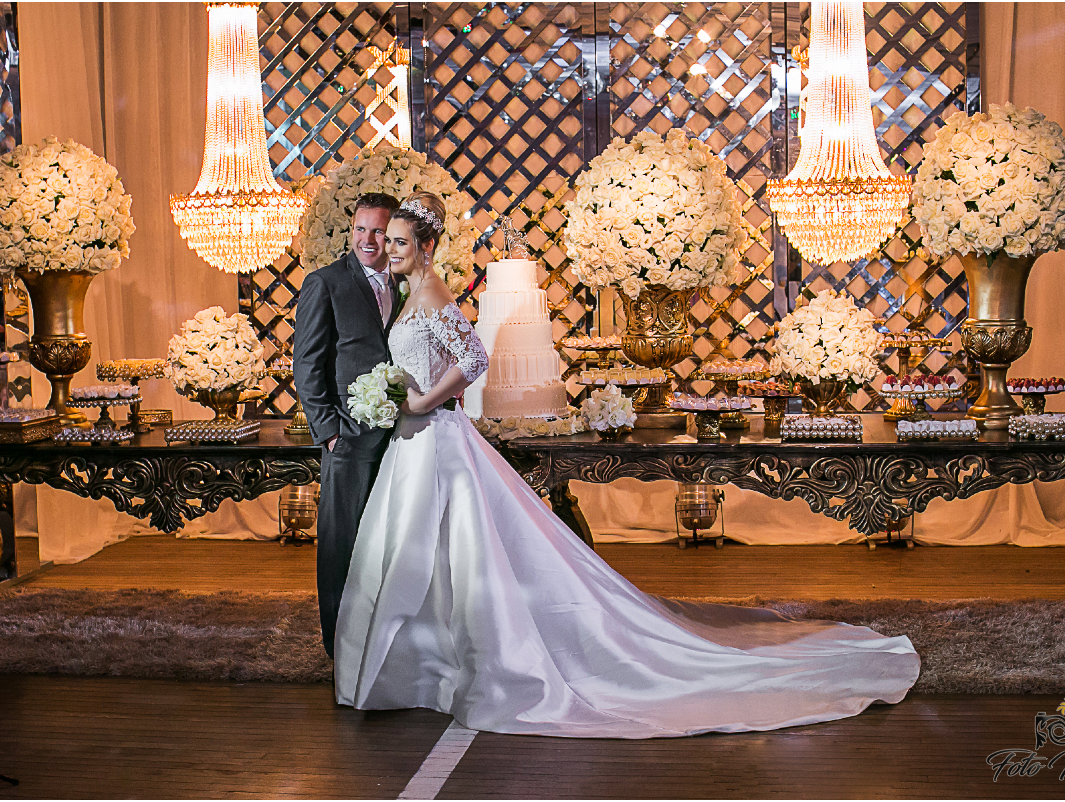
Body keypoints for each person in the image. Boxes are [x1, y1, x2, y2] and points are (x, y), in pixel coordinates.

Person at [333, 192, 921, 738]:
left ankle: (466, 666)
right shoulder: (408, 294)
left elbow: (474, 357)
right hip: (413, 441)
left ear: (427, 247)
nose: (389, 249)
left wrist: (422, 401)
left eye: (400, 242)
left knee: (451, 553)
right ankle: (429, 667)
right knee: (427, 554)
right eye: (389, 241)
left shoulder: (431, 293)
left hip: (434, 435)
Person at [293, 192, 402, 657]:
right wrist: (330, 432)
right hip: (348, 437)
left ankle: (383, 639)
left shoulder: (405, 283)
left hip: (400, 436)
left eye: (378, 231)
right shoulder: (325, 283)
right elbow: (306, 364)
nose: (368, 240)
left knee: (387, 540)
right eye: (361, 229)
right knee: (342, 542)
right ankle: (337, 645)